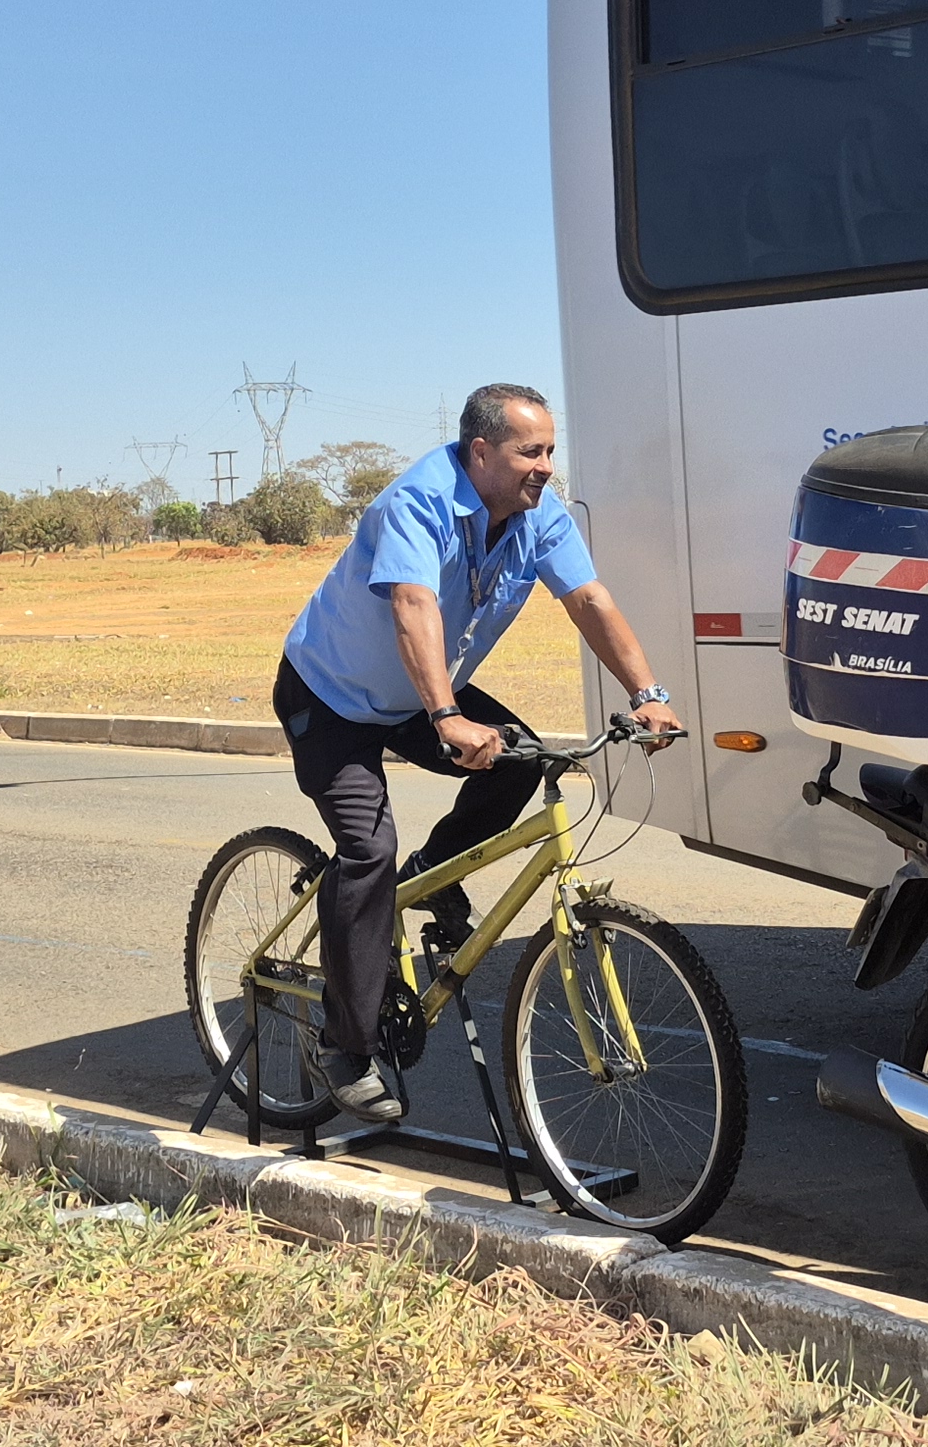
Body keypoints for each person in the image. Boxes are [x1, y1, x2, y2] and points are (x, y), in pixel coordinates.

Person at [272, 383, 686, 1124]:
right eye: (532, 451)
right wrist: (447, 714)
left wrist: (645, 691)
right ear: (482, 452)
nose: (547, 466)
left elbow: (588, 599)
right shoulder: (418, 502)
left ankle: (431, 876)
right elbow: (412, 605)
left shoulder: (536, 516)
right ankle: (344, 1046)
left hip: (419, 695)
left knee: (525, 763)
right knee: (367, 850)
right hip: (330, 698)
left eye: (552, 450)